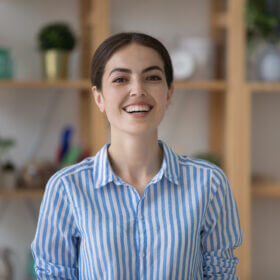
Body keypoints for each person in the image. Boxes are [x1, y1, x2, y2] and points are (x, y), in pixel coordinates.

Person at [31, 32, 243, 279]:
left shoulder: (209, 183)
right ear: (99, 97)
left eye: (152, 77)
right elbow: (53, 274)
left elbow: (222, 274)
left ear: (169, 92)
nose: (137, 90)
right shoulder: (66, 187)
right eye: (120, 79)